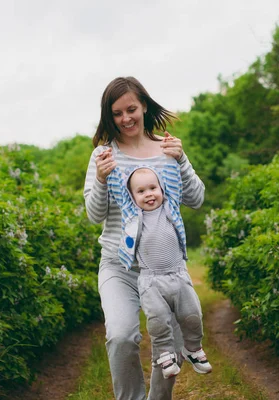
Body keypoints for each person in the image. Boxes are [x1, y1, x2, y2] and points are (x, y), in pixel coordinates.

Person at [84, 76, 205, 400]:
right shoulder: (103, 156)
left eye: (131, 109)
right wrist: (100, 179)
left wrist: (182, 160)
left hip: (167, 267)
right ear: (109, 117)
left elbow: (196, 199)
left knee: (174, 347)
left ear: (144, 106)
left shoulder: (167, 151)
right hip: (119, 266)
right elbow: (95, 216)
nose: (126, 119)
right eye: (117, 113)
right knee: (122, 336)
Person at [106, 165, 212, 379]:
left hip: (178, 275)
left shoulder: (170, 206)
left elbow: (173, 178)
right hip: (150, 281)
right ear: (132, 196)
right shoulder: (133, 214)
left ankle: (192, 348)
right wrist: (109, 165)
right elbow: (118, 188)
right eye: (141, 191)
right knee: (158, 319)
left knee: (192, 315)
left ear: (162, 188)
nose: (149, 194)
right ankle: (165, 354)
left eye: (153, 188)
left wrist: (176, 157)